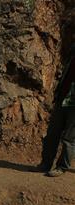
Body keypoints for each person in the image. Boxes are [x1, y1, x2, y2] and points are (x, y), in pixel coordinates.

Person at [39, 44, 74, 177]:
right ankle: (45, 164)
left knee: (69, 139)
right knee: (52, 134)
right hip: (63, 97)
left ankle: (61, 167)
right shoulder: (72, 51)